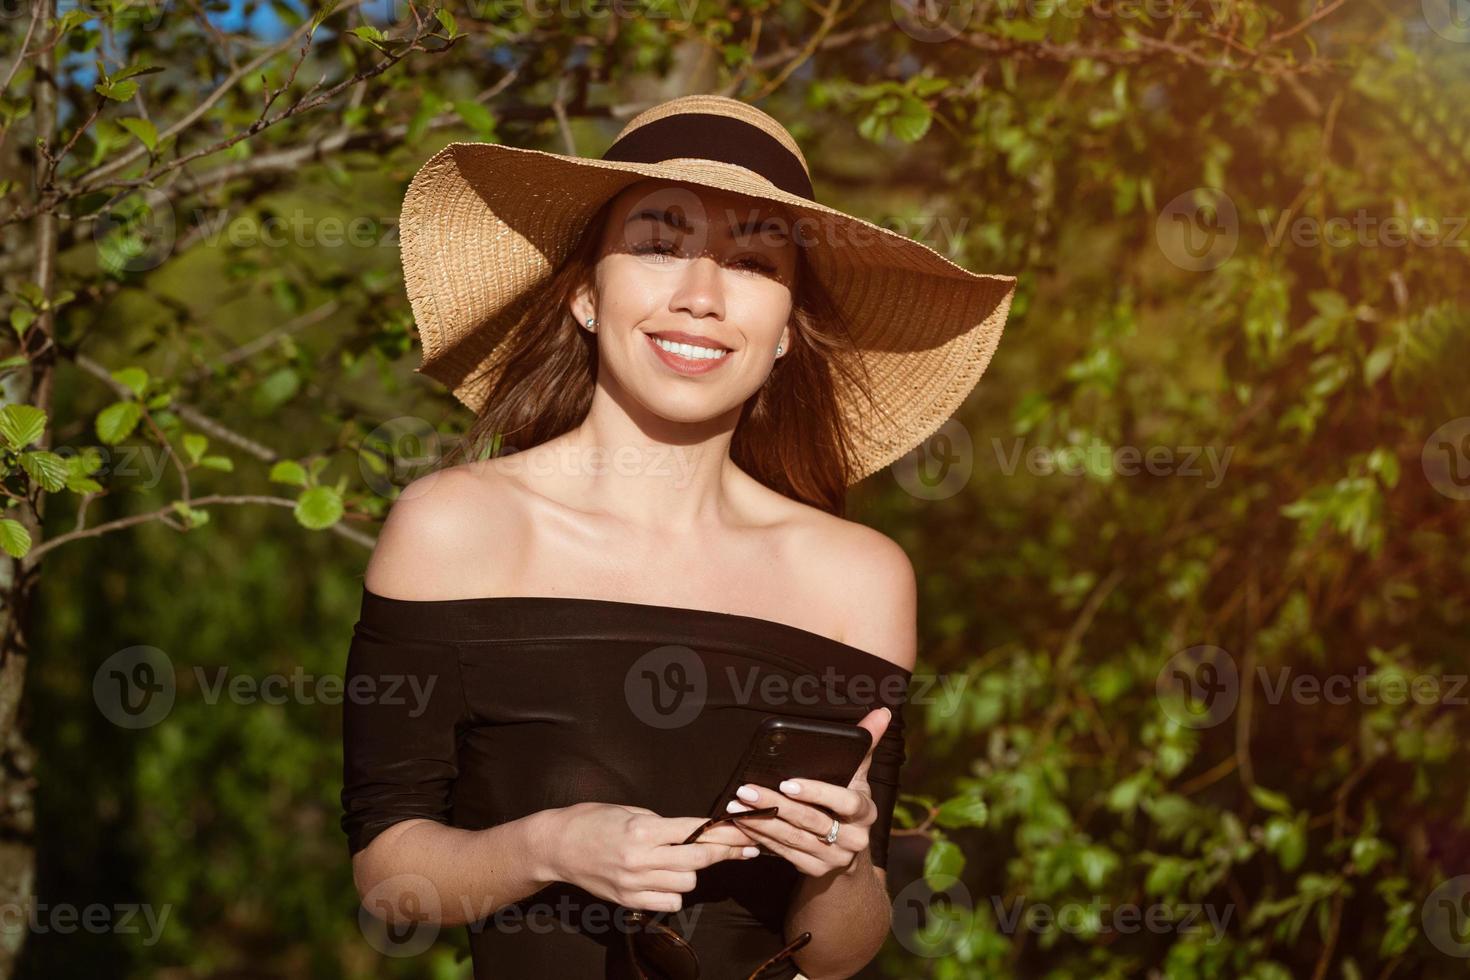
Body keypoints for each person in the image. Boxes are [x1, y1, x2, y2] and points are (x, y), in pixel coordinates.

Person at [340, 93, 1016, 979]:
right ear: (586, 292)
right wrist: (551, 846)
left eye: (752, 261)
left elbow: (843, 952)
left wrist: (843, 861)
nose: (701, 297)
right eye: (659, 246)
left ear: (784, 331)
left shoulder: (858, 577)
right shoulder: (455, 530)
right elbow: (388, 883)